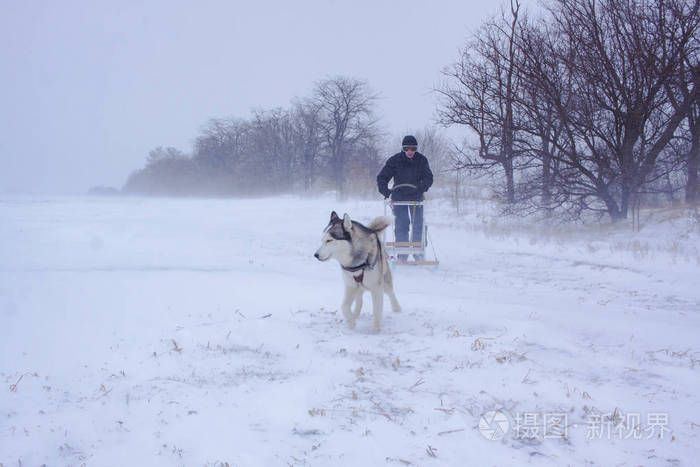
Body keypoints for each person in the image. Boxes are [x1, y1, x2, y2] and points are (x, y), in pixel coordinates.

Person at [376, 135, 434, 261]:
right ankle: (402, 254)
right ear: (403, 148)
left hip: (416, 198)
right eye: (407, 149)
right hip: (399, 198)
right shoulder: (395, 160)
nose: (410, 152)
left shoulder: (421, 160)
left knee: (418, 224)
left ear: (416, 149)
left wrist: (420, 188)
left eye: (413, 149)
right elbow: (382, 177)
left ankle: (419, 253)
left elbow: (429, 178)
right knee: (402, 224)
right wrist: (387, 192)